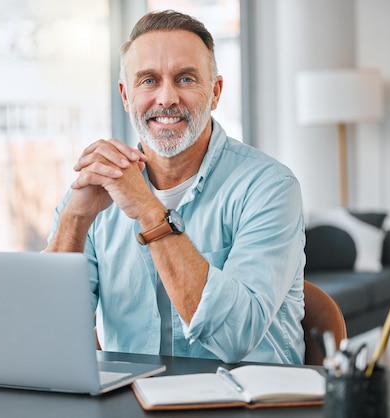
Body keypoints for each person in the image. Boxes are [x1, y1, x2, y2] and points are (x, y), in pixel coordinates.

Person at [47, 10, 305, 364]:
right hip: (132, 401)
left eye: (185, 79)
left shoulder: (270, 187)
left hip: (247, 403)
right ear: (126, 95)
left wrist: (148, 210)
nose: (166, 98)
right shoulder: (96, 188)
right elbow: (50, 331)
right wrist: (75, 220)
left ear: (215, 92)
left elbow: (235, 338)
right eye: (149, 81)